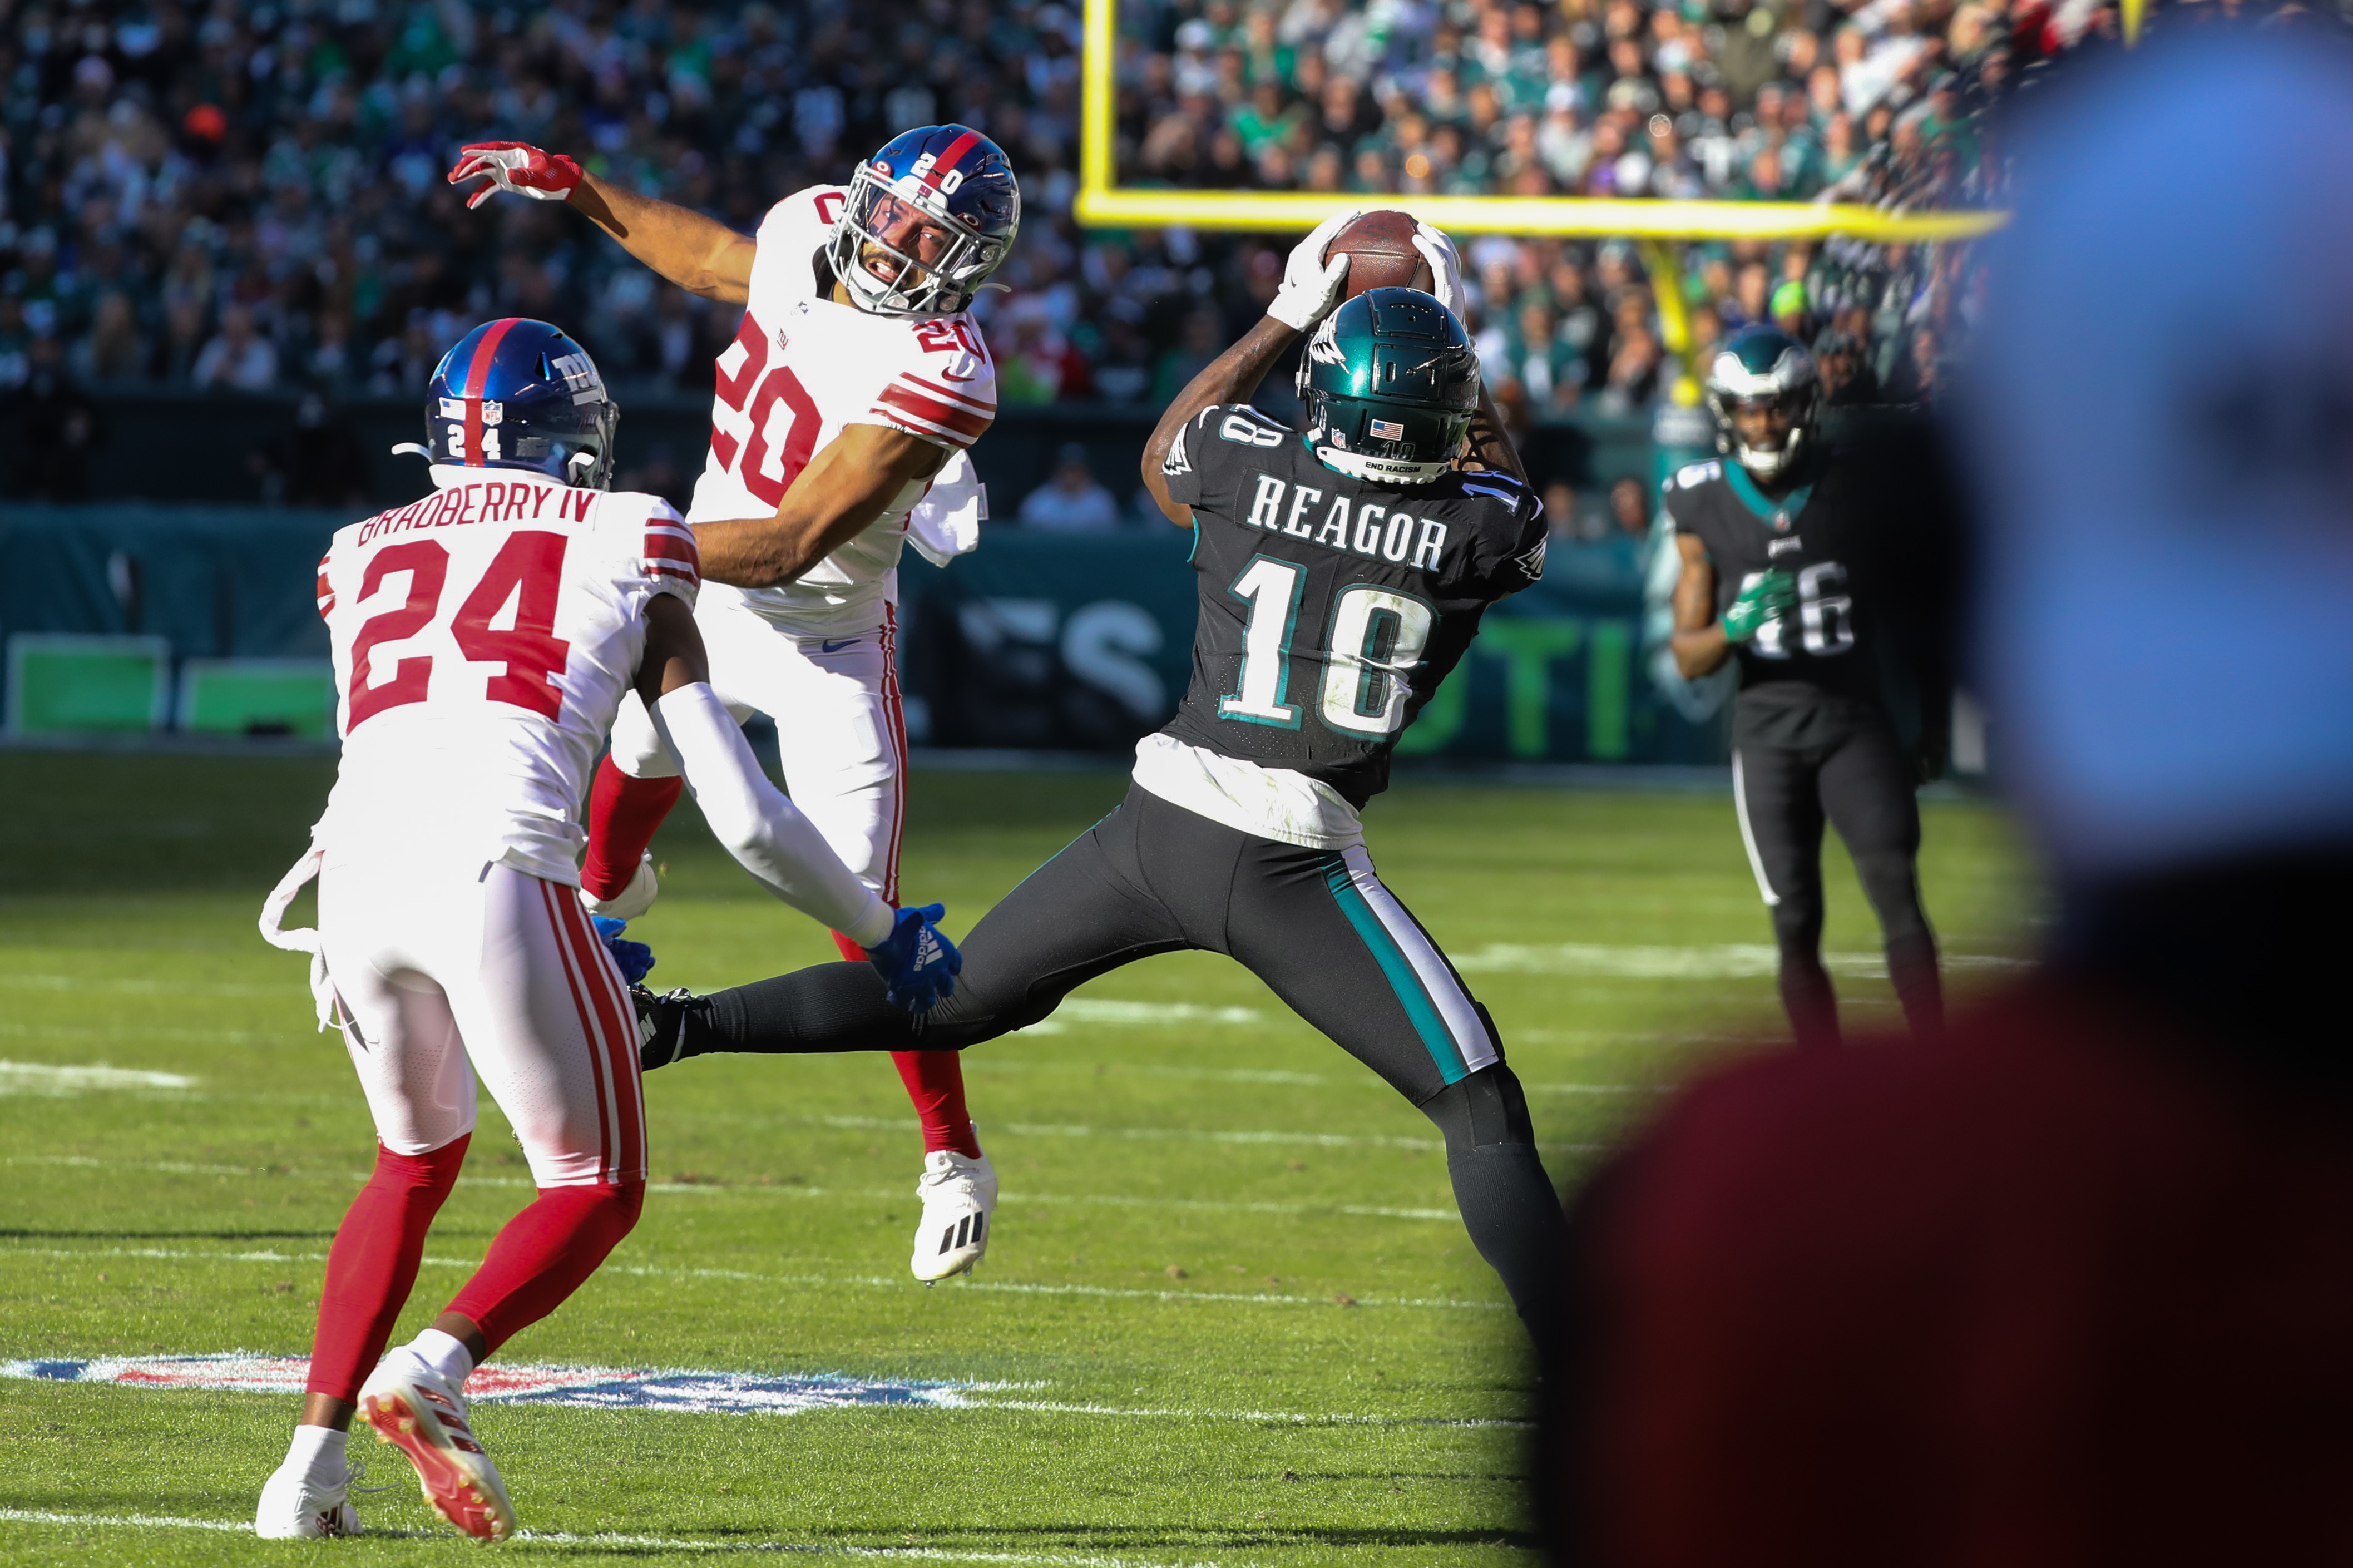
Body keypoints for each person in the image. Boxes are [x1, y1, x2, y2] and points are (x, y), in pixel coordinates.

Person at [1546, 33, 2353, 1563]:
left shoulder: (1743, 1218)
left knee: (1893, 909)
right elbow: (1692, 638)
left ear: (1946, 572)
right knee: (1810, 915)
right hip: (1783, 730)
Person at [626, 217, 1572, 1335]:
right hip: (1295, 862)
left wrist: (1285, 312)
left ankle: (671, 1030)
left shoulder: (1240, 464)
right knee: (1479, 1101)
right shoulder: (1474, 534)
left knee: (955, 997)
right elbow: (1509, 492)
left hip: (1156, 826)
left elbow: (1172, 446)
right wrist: (1447, 338)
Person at [251, 319, 961, 1541]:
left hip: (351, 880)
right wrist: (880, 928)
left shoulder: (353, 551)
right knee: (595, 1185)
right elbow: (743, 816)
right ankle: (435, 1367)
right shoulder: (633, 532)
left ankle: (300, 1478)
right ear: (571, 436)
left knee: (412, 1167)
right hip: (498, 872)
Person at [448, 125, 1017, 1280]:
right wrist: (580, 189)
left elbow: (789, 542)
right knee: (607, 812)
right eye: (893, 212)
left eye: (929, 235)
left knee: (869, 925)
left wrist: (602, 544)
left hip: (821, 642)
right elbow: (715, 259)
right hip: (700, 592)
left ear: (970, 262)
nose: (897, 244)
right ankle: (605, 929)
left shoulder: (943, 366)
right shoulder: (809, 227)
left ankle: (954, 1154)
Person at [1665, 324, 1950, 1049]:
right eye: (1750, 408)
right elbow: (1689, 657)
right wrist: (1730, 628)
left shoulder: (1852, 482)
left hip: (1854, 722)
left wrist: (1934, 725)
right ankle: (1823, 1082)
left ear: (1806, 405)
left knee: (1897, 898)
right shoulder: (1699, 503)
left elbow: (1919, 610)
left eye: (1777, 406)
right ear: (1727, 413)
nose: (1764, 423)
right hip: (1765, 734)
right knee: (1794, 920)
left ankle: (1936, 1072)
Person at [1018, 442, 1123, 532]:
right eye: (1068, 469)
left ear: (1086, 471)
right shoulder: (1038, 502)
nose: (1072, 475)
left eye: (1076, 470)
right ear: (1058, 470)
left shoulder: (1102, 501)